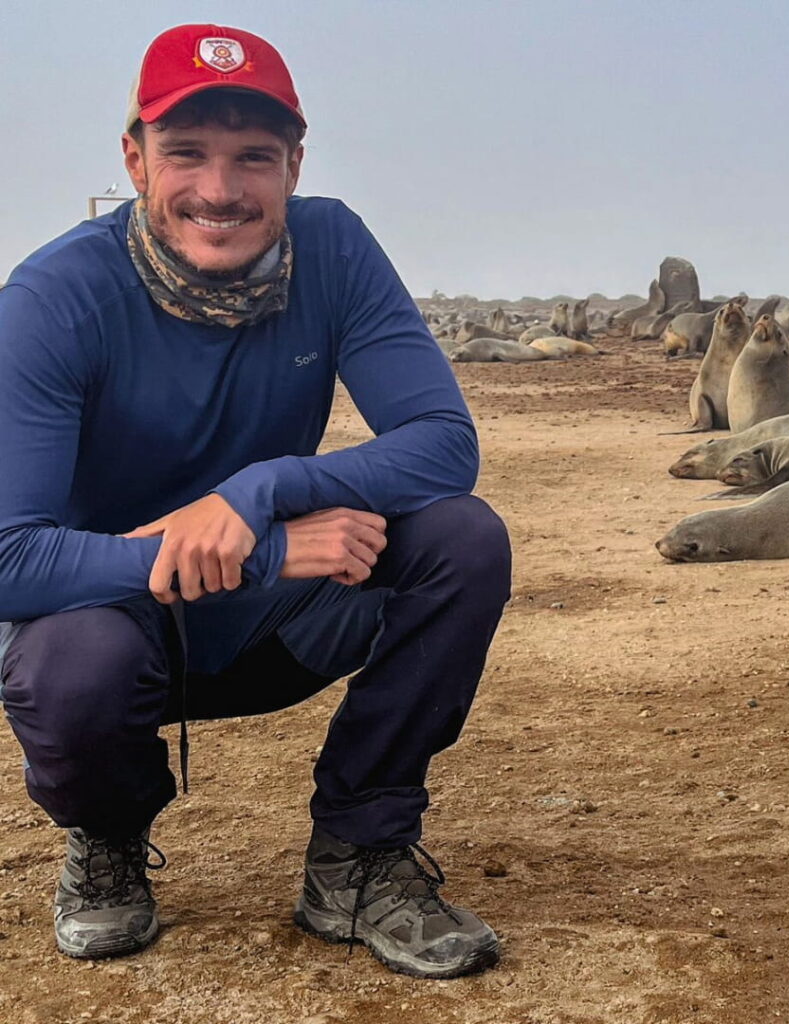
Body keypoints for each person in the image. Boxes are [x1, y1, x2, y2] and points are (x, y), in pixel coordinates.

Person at [0, 23, 511, 980]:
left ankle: (359, 857)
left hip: (269, 636)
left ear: (294, 165)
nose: (221, 190)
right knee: (70, 662)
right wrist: (271, 550)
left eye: (254, 159)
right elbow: (7, 557)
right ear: (134, 159)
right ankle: (107, 837)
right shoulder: (52, 297)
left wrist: (263, 491)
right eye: (186, 152)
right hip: (116, 629)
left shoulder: (335, 247)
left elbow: (447, 446)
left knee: (461, 538)